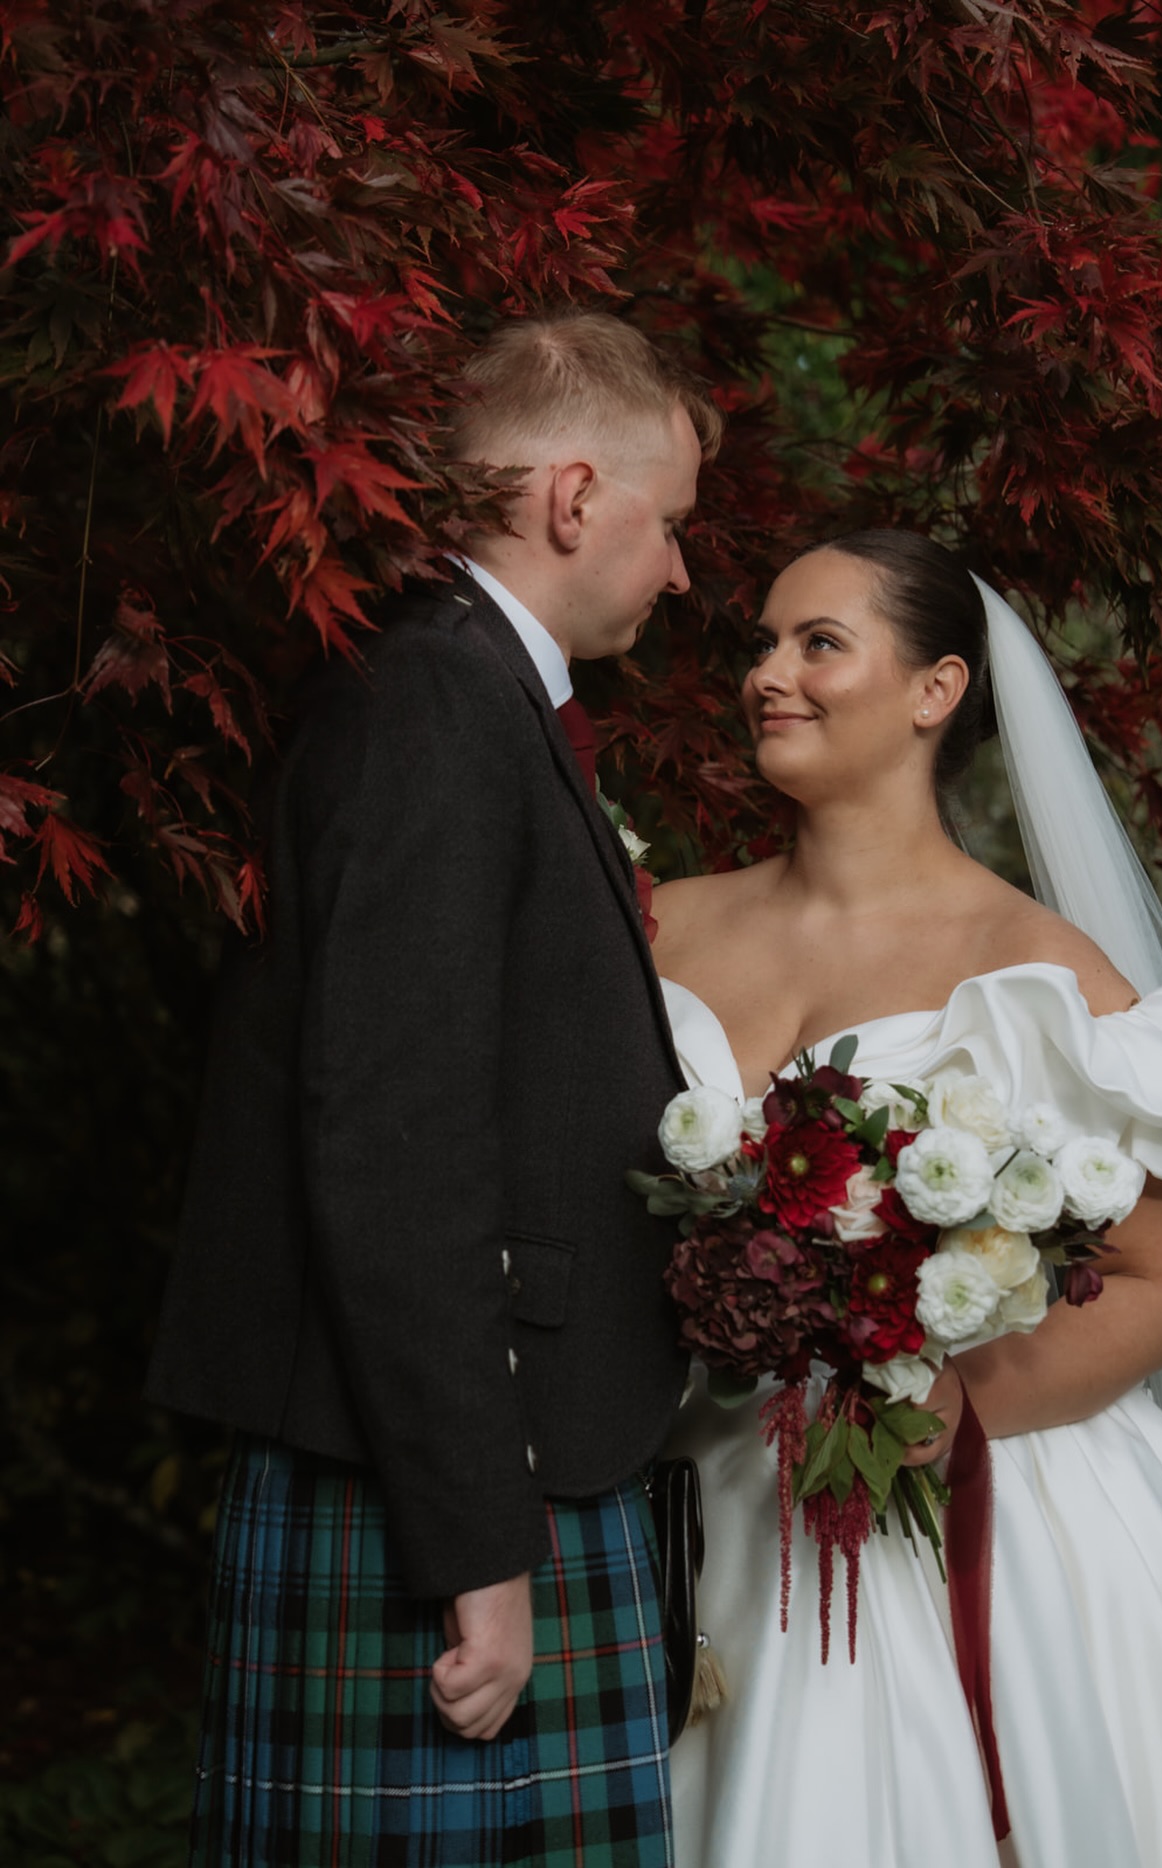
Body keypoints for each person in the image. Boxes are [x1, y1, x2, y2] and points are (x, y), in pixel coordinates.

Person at [650, 531, 1162, 1867]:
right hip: (703, 1503)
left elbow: (1157, 1294)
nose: (767, 675)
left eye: (818, 644)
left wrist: (946, 1407)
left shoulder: (1038, 971)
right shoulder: (661, 927)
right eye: (763, 644)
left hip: (977, 1506)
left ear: (936, 690)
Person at [146, 310, 722, 1866]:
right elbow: (395, 1137)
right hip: (431, 1480)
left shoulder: (463, 690)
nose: (680, 572)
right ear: (574, 497)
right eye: (670, 522)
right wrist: (478, 1540)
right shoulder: (434, 698)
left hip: (475, 1452)